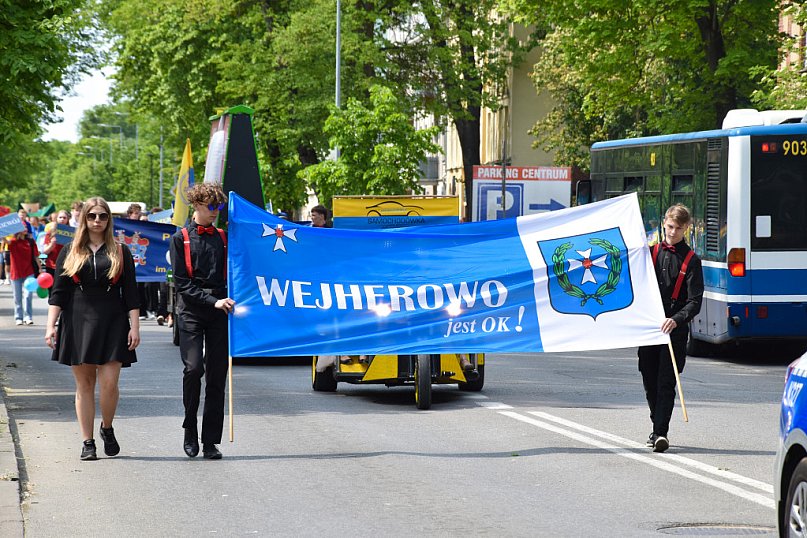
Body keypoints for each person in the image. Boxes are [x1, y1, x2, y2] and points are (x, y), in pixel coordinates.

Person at [45, 197, 140, 461]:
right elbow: (58, 293)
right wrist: (50, 326)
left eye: (102, 216)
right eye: (92, 216)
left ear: (109, 219)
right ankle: (87, 442)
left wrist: (135, 326)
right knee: (84, 384)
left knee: (110, 384)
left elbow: (131, 293)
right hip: (77, 319)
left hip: (113, 319)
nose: (97, 220)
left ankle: (106, 428)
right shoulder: (70, 251)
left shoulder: (121, 251)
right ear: (84, 219)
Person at [169, 184, 234, 460]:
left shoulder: (224, 237)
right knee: (194, 369)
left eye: (219, 207)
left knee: (217, 376)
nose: (216, 212)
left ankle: (210, 441)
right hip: (191, 311)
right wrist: (212, 301)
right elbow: (182, 283)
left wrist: (227, 299)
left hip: (220, 311)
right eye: (211, 206)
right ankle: (189, 429)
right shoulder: (180, 238)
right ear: (196, 204)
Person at [638, 204, 703, 453]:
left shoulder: (692, 260)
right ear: (664, 222)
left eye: (678, 228)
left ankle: (661, 433)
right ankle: (656, 425)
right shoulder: (650, 253)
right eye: (669, 226)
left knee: (666, 381)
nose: (673, 232)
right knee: (648, 376)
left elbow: (695, 301)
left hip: (674, 330)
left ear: (686, 228)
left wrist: (676, 319)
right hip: (650, 327)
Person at [6, 228, 40, 325]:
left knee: (28, 295)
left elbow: (36, 256)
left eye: (25, 227)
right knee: (17, 297)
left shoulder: (30, 241)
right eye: (22, 227)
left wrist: (40, 268)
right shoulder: (12, 241)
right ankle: (18, 317)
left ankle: (28, 316)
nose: (24, 229)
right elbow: (5, 242)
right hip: (15, 272)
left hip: (29, 271)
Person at [42, 210, 70, 296]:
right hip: (52, 266)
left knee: (65, 291)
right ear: (56, 219)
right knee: (52, 292)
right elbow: (45, 251)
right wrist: (52, 244)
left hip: (66, 266)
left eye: (64, 218)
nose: (62, 219)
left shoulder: (72, 233)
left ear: (68, 219)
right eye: (60, 217)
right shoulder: (50, 233)